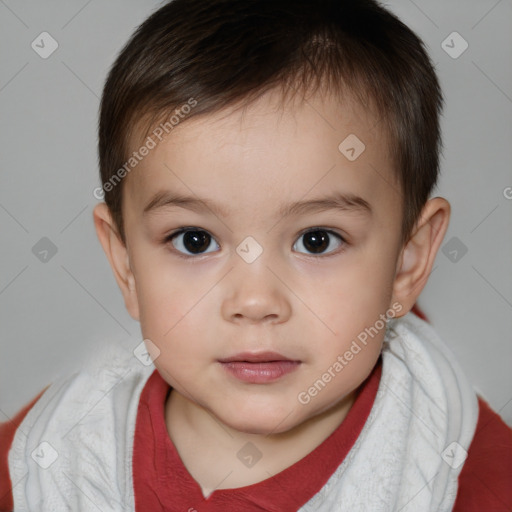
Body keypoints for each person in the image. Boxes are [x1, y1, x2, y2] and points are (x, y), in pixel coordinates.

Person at [1, 0, 511, 510]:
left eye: (317, 240)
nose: (255, 301)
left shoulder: (469, 476)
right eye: (194, 240)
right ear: (126, 265)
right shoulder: (49, 456)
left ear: (408, 260)